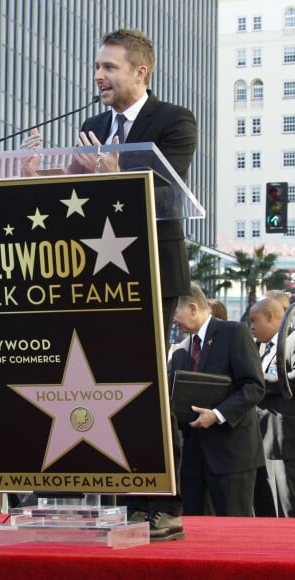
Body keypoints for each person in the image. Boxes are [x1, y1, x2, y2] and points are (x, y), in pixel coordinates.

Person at [23, 28, 196, 540]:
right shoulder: (92, 125)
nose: (98, 76)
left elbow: (165, 191)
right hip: (94, 274)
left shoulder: (175, 121)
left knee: (147, 386)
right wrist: (42, 178)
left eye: (109, 67)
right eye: (97, 67)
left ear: (140, 72)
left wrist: (116, 170)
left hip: (151, 270)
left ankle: (161, 505)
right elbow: (78, 203)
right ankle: (75, 491)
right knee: (84, 378)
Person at [171, 283, 265, 516]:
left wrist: (217, 415)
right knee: (196, 534)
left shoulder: (234, 333)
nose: (173, 321)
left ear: (192, 308)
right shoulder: (181, 351)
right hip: (193, 460)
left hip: (231, 457)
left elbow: (254, 386)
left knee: (234, 533)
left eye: (175, 313)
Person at [249, 297, 295, 517]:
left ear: (269, 316)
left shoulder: (292, 341)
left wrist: (255, 381)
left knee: (287, 505)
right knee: (269, 506)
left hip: (285, 441)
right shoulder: (262, 347)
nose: (251, 326)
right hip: (266, 440)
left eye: (254, 320)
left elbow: (291, 380)